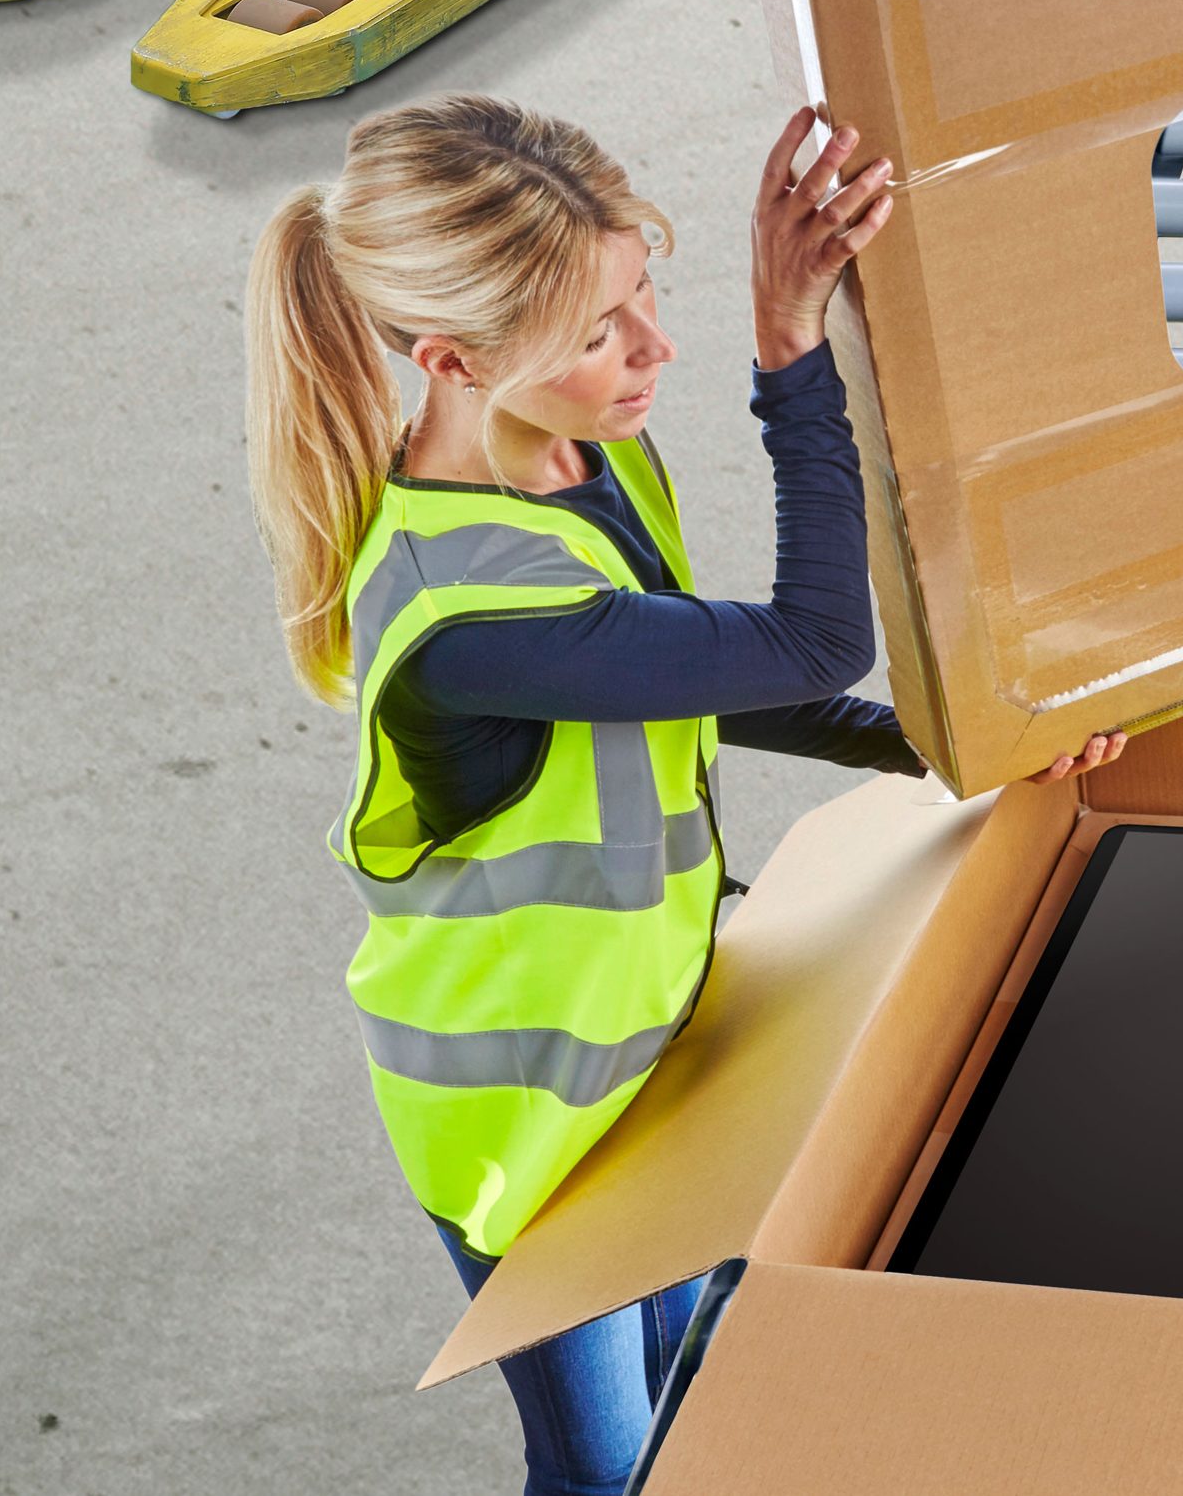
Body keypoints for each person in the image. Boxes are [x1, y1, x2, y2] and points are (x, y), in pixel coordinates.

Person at [241, 94, 1120, 1496]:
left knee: (693, 1394)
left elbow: (695, 681)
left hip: (650, 1049)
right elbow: (810, 639)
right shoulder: (469, 609)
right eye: (597, 335)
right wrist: (791, 356)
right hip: (527, 1123)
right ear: (453, 361)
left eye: (643, 295)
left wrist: (942, 750)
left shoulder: (581, 459)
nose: (652, 349)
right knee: (604, 1469)